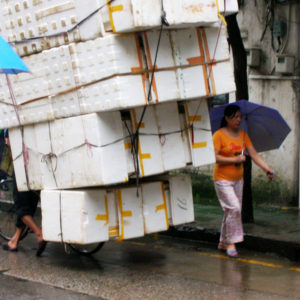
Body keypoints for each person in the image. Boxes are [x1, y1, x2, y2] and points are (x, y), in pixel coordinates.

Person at [212, 104, 274, 258]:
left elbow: (254, 154)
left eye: (240, 116)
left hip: (238, 180)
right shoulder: (219, 135)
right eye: (235, 117)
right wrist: (235, 159)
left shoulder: (243, 135)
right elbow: (214, 157)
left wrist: (267, 169)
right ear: (227, 118)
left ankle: (222, 241)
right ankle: (230, 243)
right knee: (234, 209)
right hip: (222, 179)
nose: (238, 119)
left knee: (230, 211)